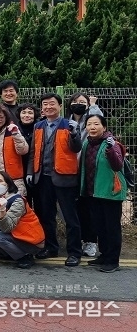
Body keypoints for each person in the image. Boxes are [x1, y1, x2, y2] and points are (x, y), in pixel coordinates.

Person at [26, 92, 83, 267]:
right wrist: (30, 172)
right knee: (46, 215)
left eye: (52, 104)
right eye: (45, 104)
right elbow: (33, 151)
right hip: (42, 177)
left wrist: (74, 133)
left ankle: (74, 252)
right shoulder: (38, 126)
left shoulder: (69, 125)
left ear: (60, 106)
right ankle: (51, 247)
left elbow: (76, 148)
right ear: (42, 108)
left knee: (69, 217)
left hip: (64, 177)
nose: (48, 107)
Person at [80, 114, 126, 273]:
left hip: (110, 191)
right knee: (99, 226)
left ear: (104, 127)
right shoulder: (87, 143)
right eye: (89, 124)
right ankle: (104, 255)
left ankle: (113, 260)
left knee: (111, 227)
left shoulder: (111, 143)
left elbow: (117, 165)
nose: (92, 127)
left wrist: (112, 149)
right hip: (93, 192)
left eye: (96, 124)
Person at [0, 171, 45, 269]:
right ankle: (11, 253)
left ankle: (25, 257)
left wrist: (2, 211)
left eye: (0, 181)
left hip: (31, 242)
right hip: (16, 236)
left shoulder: (17, 200)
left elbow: (7, 228)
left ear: (8, 184)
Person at [67, 92, 104, 258]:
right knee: (75, 208)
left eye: (83, 102)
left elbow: (99, 120)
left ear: (88, 105)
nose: (78, 104)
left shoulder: (90, 122)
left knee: (89, 207)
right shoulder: (67, 122)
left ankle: (91, 241)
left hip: (87, 169)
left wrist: (94, 106)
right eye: (75, 101)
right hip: (69, 170)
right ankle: (81, 238)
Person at [0, 105, 29, 195]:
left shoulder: (13, 131)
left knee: (15, 203)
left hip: (14, 179)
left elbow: (23, 151)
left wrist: (16, 134)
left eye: (1, 117)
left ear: (6, 118)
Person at [16, 103, 40, 205]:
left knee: (39, 199)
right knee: (24, 199)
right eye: (24, 112)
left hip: (37, 168)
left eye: (30, 113)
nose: (27, 115)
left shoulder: (40, 128)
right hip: (19, 166)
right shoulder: (14, 129)